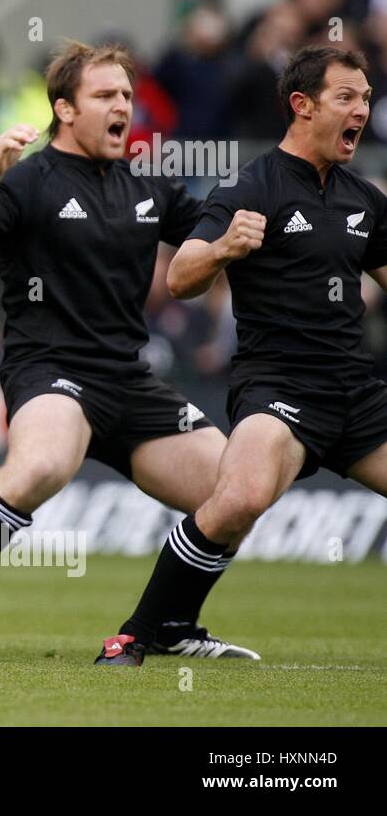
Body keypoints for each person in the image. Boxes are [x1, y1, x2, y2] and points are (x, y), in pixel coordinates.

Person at [0, 40, 253, 664]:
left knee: (239, 489)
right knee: (39, 469)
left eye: (126, 94)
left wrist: (236, 240)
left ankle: (170, 626)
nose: (122, 105)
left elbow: (208, 240)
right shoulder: (29, 179)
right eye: (105, 95)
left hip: (130, 379)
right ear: (65, 109)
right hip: (50, 371)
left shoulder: (149, 184)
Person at [98, 46, 387, 665]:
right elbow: (180, 276)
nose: (361, 109)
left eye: (365, 98)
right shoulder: (252, 183)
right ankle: (136, 635)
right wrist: (225, 245)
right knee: (239, 500)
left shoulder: (365, 197)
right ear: (302, 107)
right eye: (347, 97)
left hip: (358, 395)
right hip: (279, 389)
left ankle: (170, 629)